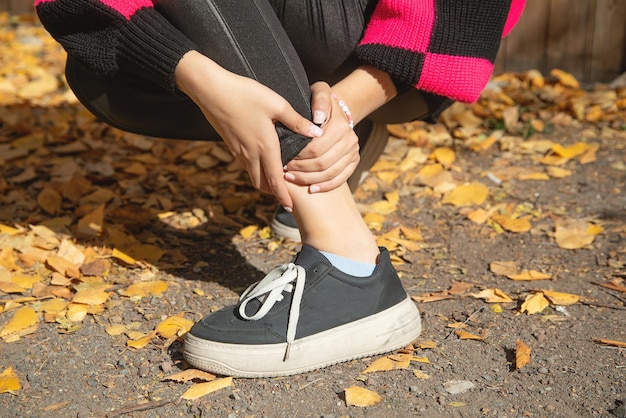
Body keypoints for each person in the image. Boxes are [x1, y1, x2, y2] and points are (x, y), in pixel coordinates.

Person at [35, 0, 525, 377]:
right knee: (100, 70)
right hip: (247, 40)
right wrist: (203, 80)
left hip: (386, 55)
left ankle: (349, 263)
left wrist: (344, 109)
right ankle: (330, 155)